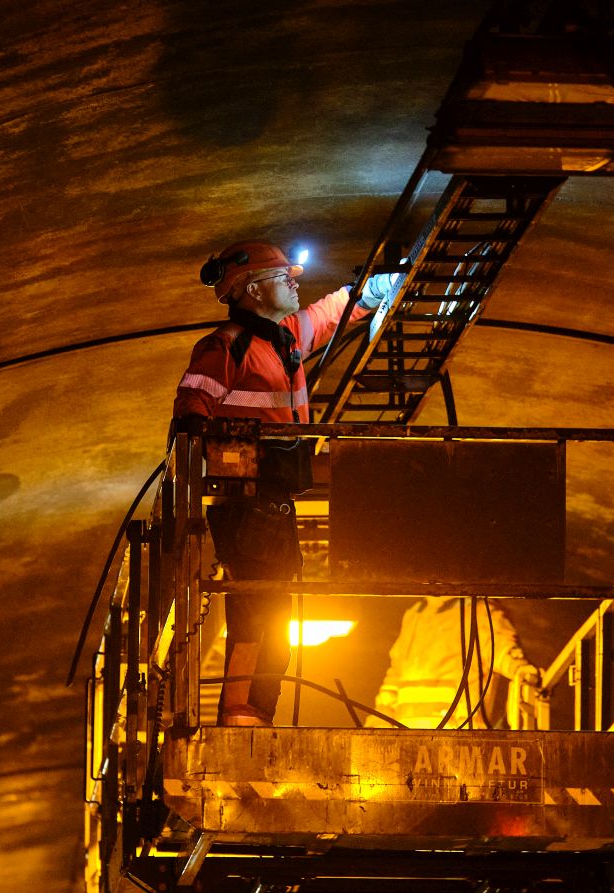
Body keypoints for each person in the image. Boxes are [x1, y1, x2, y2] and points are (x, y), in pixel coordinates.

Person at [173, 240, 399, 725]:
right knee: (259, 611)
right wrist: (201, 443)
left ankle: (255, 711)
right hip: (246, 500)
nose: (295, 283)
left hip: (273, 499)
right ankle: (241, 711)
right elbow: (193, 402)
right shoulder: (225, 346)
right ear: (252, 289)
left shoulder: (286, 336)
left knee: (272, 613)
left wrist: (376, 288)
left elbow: (331, 314)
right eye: (283, 278)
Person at [371, 597, 545, 729]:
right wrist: (379, 722)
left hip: (458, 738)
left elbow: (501, 649)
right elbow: (395, 675)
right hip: (408, 739)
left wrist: (520, 668)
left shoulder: (479, 611)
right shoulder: (415, 614)